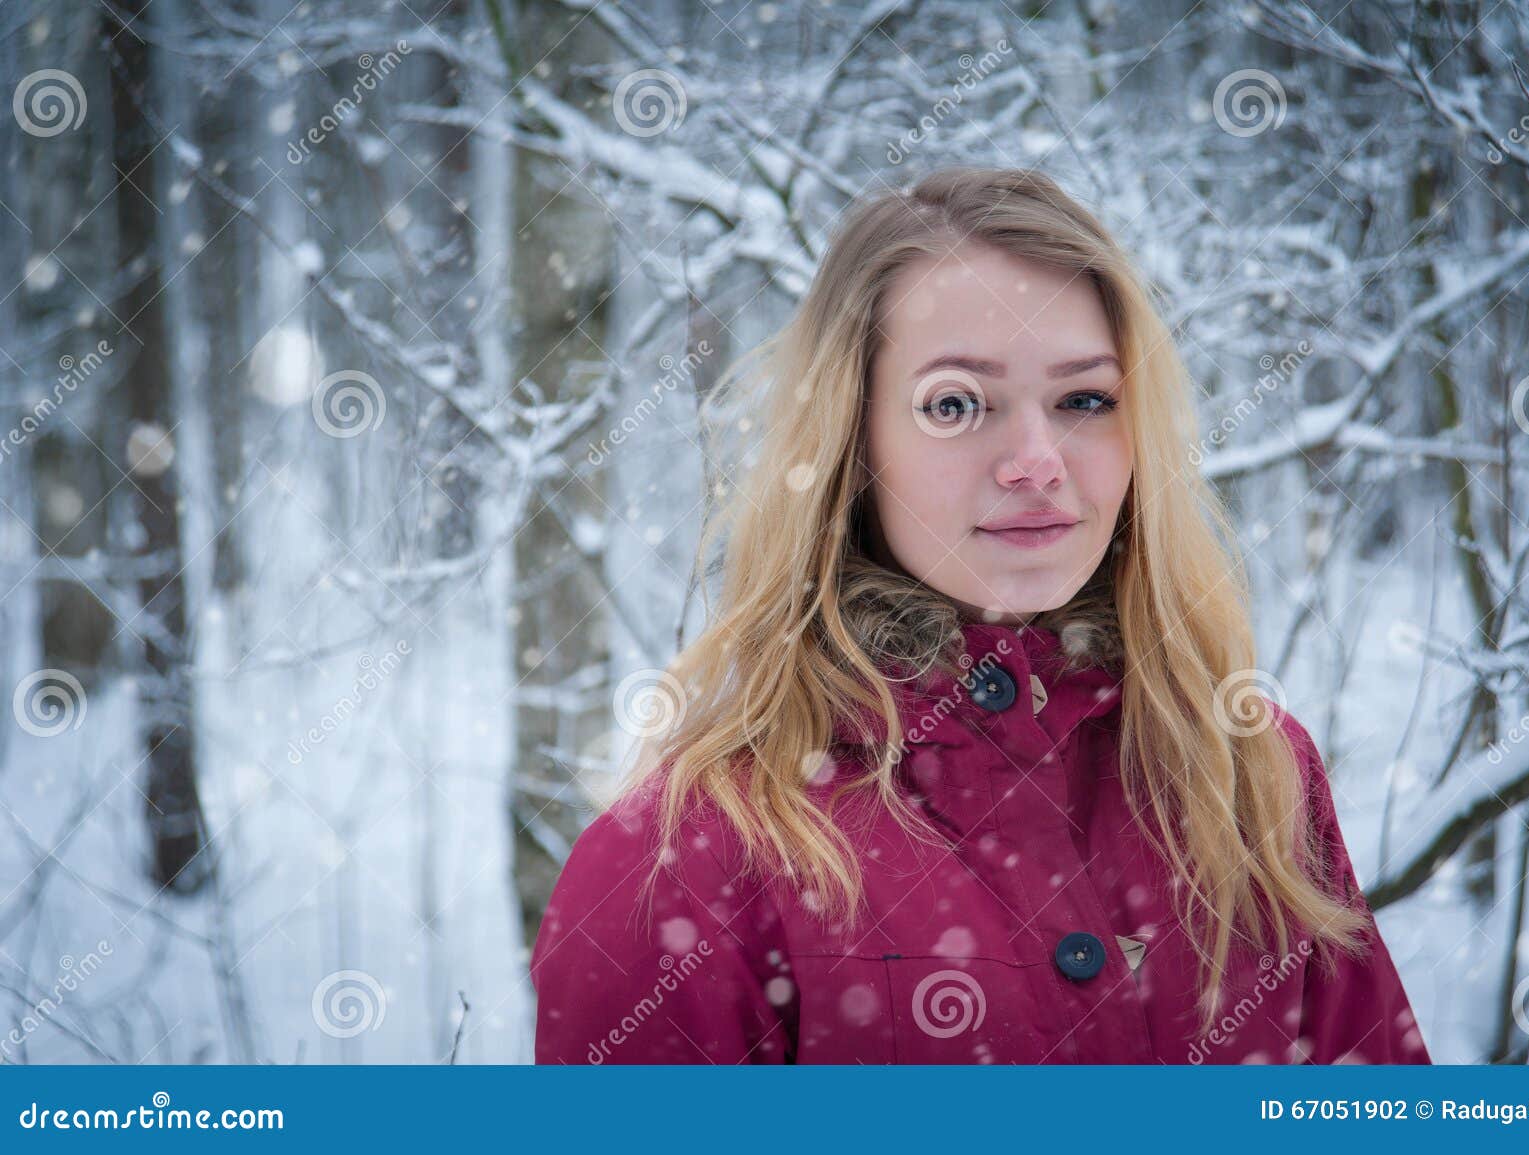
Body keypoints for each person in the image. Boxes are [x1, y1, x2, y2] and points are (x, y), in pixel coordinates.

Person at [529, 167, 1431, 1065]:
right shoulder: (680, 864)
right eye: (956, 403)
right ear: (851, 441)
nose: (1037, 461)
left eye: (1085, 399)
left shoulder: (1248, 772)